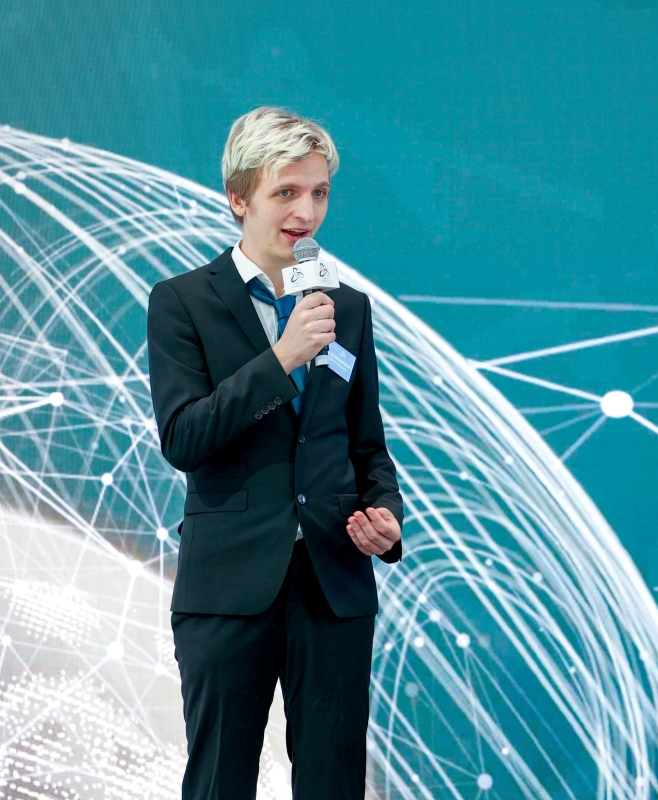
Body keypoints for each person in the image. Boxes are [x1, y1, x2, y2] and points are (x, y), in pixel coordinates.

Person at [146, 107, 403, 799]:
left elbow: (366, 444)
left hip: (332, 584)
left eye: (318, 193)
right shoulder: (183, 302)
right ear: (239, 198)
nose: (306, 212)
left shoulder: (347, 308)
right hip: (228, 586)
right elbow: (184, 437)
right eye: (286, 192)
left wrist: (386, 516)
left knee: (334, 785)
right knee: (220, 782)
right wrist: (282, 358)